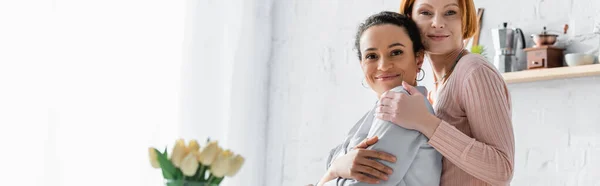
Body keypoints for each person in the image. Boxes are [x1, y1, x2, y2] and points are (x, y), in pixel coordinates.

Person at [371, 0, 515, 185]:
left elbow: (502, 169)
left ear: (465, 19)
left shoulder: (474, 71)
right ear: (409, 19)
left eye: (450, 12)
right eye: (425, 12)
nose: (438, 23)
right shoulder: (438, 86)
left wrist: (425, 122)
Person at [315, 11, 442, 186]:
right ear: (362, 64)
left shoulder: (402, 106)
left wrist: (332, 172)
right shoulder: (379, 111)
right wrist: (335, 168)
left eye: (396, 52)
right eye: (371, 56)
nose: (383, 66)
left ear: (418, 58)